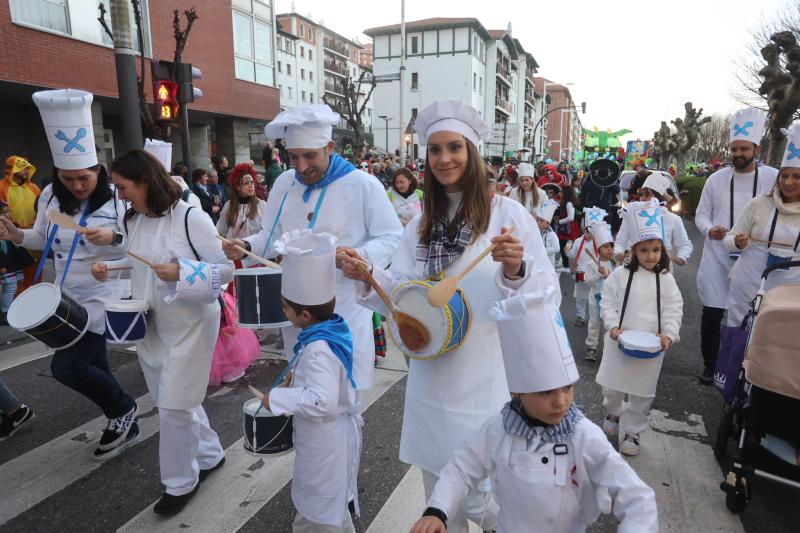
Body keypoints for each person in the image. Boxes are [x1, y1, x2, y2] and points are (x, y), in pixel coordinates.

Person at [341, 100, 558, 533]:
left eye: (454, 147)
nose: (444, 159)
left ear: (473, 153)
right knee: (441, 496)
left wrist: (516, 270)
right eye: (435, 150)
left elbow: (546, 297)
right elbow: (404, 297)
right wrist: (368, 276)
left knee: (493, 498)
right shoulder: (421, 224)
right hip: (432, 380)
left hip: (489, 376)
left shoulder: (508, 216)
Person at [410, 285, 657, 533]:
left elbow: (636, 496)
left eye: (566, 388)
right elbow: (461, 468)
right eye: (545, 392)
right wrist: (437, 510)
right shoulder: (498, 430)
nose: (560, 401)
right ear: (517, 391)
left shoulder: (583, 436)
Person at [221, 104, 403, 396]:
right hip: (296, 310)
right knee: (304, 391)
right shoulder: (283, 183)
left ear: (329, 147)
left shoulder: (362, 184)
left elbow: (393, 237)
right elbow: (271, 235)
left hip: (344, 309)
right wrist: (244, 247)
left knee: (341, 397)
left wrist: (362, 257)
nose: (302, 167)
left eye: (310, 156)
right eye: (294, 157)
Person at [0, 89, 138, 460]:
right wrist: (16, 235)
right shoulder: (49, 196)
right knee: (93, 364)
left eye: (84, 178)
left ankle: (123, 409)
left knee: (67, 367)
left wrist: (116, 236)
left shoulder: (118, 199)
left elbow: (144, 245)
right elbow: (43, 238)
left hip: (104, 294)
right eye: (68, 178)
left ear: (98, 171)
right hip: (64, 296)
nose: (76, 185)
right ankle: (123, 418)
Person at [92, 149, 232, 514]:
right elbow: (140, 260)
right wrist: (112, 266)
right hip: (150, 324)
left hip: (192, 324)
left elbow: (226, 270)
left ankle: (180, 483)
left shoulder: (192, 218)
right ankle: (210, 454)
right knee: (175, 400)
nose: (120, 195)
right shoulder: (134, 219)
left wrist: (185, 272)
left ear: (145, 181)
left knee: (172, 406)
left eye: (123, 187)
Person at [260, 230, 361, 532]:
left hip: (324, 443)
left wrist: (275, 399)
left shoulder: (318, 349)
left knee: (318, 512)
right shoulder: (329, 331)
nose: (284, 312)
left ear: (304, 314)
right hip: (327, 440)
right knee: (329, 510)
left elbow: (322, 401)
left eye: (286, 309)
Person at [694, 108, 778, 384]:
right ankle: (711, 365)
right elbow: (701, 214)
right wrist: (709, 229)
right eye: (734, 149)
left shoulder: (772, 179)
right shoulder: (715, 179)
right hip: (717, 256)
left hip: (753, 257)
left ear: (756, 148)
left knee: (750, 316)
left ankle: (744, 368)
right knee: (712, 312)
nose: (738, 154)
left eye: (743, 148)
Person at [596, 200, 684, 456]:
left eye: (656, 249)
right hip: (618, 341)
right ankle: (613, 412)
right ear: (634, 250)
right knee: (612, 388)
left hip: (651, 347)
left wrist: (668, 334)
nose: (651, 255)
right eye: (644, 250)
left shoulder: (666, 280)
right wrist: (612, 326)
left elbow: (673, 309)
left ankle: (633, 431)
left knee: (642, 394)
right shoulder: (619, 275)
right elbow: (608, 303)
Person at [723, 123, 800, 341]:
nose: (788, 182)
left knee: (775, 346)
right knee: (739, 340)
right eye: (784, 175)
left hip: (789, 295)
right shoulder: (759, 204)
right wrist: (737, 242)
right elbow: (729, 240)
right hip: (747, 287)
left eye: (797, 176)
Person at [614, 173, 693, 265]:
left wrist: (682, 257)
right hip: (632, 267)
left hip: (661, 269)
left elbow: (684, 244)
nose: (642, 199)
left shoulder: (673, 219)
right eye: (641, 195)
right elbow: (620, 242)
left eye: (647, 195)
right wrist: (619, 253)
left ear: (659, 197)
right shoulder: (631, 216)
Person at [0, 156, 41, 294]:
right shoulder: (1, 187)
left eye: (27, 168)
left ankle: (35, 302)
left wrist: (35, 225)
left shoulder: (34, 187)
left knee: (35, 272)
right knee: (15, 277)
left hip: (34, 235)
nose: (26, 171)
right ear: (12, 169)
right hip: (12, 238)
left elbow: (41, 209)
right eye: (22, 168)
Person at [568, 207, 607, 328]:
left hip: (595, 274)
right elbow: (573, 255)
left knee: (596, 296)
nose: (588, 234)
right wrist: (567, 252)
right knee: (580, 296)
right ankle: (580, 315)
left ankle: (596, 317)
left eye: (591, 232)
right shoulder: (578, 241)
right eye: (587, 231)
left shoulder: (601, 242)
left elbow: (606, 255)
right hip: (581, 271)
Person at [584, 222, 615, 362]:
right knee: (594, 323)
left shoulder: (614, 264)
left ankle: (608, 349)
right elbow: (586, 281)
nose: (610, 250)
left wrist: (611, 277)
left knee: (608, 323)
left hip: (610, 300)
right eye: (606, 247)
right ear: (598, 248)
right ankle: (591, 347)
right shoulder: (591, 264)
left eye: (611, 246)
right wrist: (599, 275)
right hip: (594, 298)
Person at [0, 201, 33, 324]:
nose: (7, 214)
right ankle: (5, 312)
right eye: (3, 212)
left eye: (8, 211)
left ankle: (12, 309)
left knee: (16, 284)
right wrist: (1, 265)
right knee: (10, 286)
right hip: (6, 265)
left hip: (13, 263)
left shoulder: (10, 226)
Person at [555, 184, 580, 268]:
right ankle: (565, 264)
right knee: (565, 246)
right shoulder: (568, 202)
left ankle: (566, 266)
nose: (560, 193)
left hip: (568, 228)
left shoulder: (569, 203)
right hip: (567, 227)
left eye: (561, 192)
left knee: (564, 246)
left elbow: (571, 217)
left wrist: (560, 221)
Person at [534, 199, 561, 272]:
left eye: (541, 221)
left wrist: (544, 250)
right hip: (538, 261)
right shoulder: (537, 232)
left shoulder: (551, 234)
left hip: (549, 262)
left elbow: (557, 248)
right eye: (537, 220)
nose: (538, 222)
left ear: (548, 223)